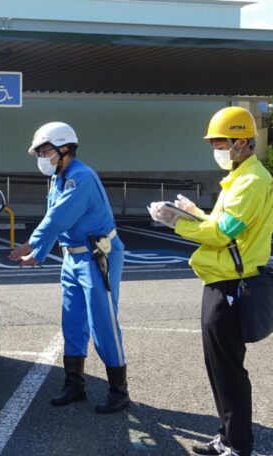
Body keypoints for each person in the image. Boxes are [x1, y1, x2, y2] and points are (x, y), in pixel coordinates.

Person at [148, 106, 273, 456]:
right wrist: (193, 213)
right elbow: (226, 226)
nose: (217, 148)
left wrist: (178, 223)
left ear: (243, 142)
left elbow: (223, 233)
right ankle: (228, 437)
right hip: (221, 281)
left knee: (229, 368)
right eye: (214, 142)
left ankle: (238, 446)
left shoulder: (252, 181)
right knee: (218, 366)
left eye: (222, 141)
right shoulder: (240, 178)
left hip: (233, 284)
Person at [9, 122, 130, 414]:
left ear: (65, 149)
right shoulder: (59, 179)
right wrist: (39, 252)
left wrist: (32, 246)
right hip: (73, 257)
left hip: (96, 256)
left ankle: (119, 390)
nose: (42, 157)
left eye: (45, 150)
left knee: (103, 322)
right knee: (72, 320)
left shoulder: (81, 178)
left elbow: (58, 218)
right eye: (39, 152)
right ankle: (74, 384)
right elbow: (56, 217)